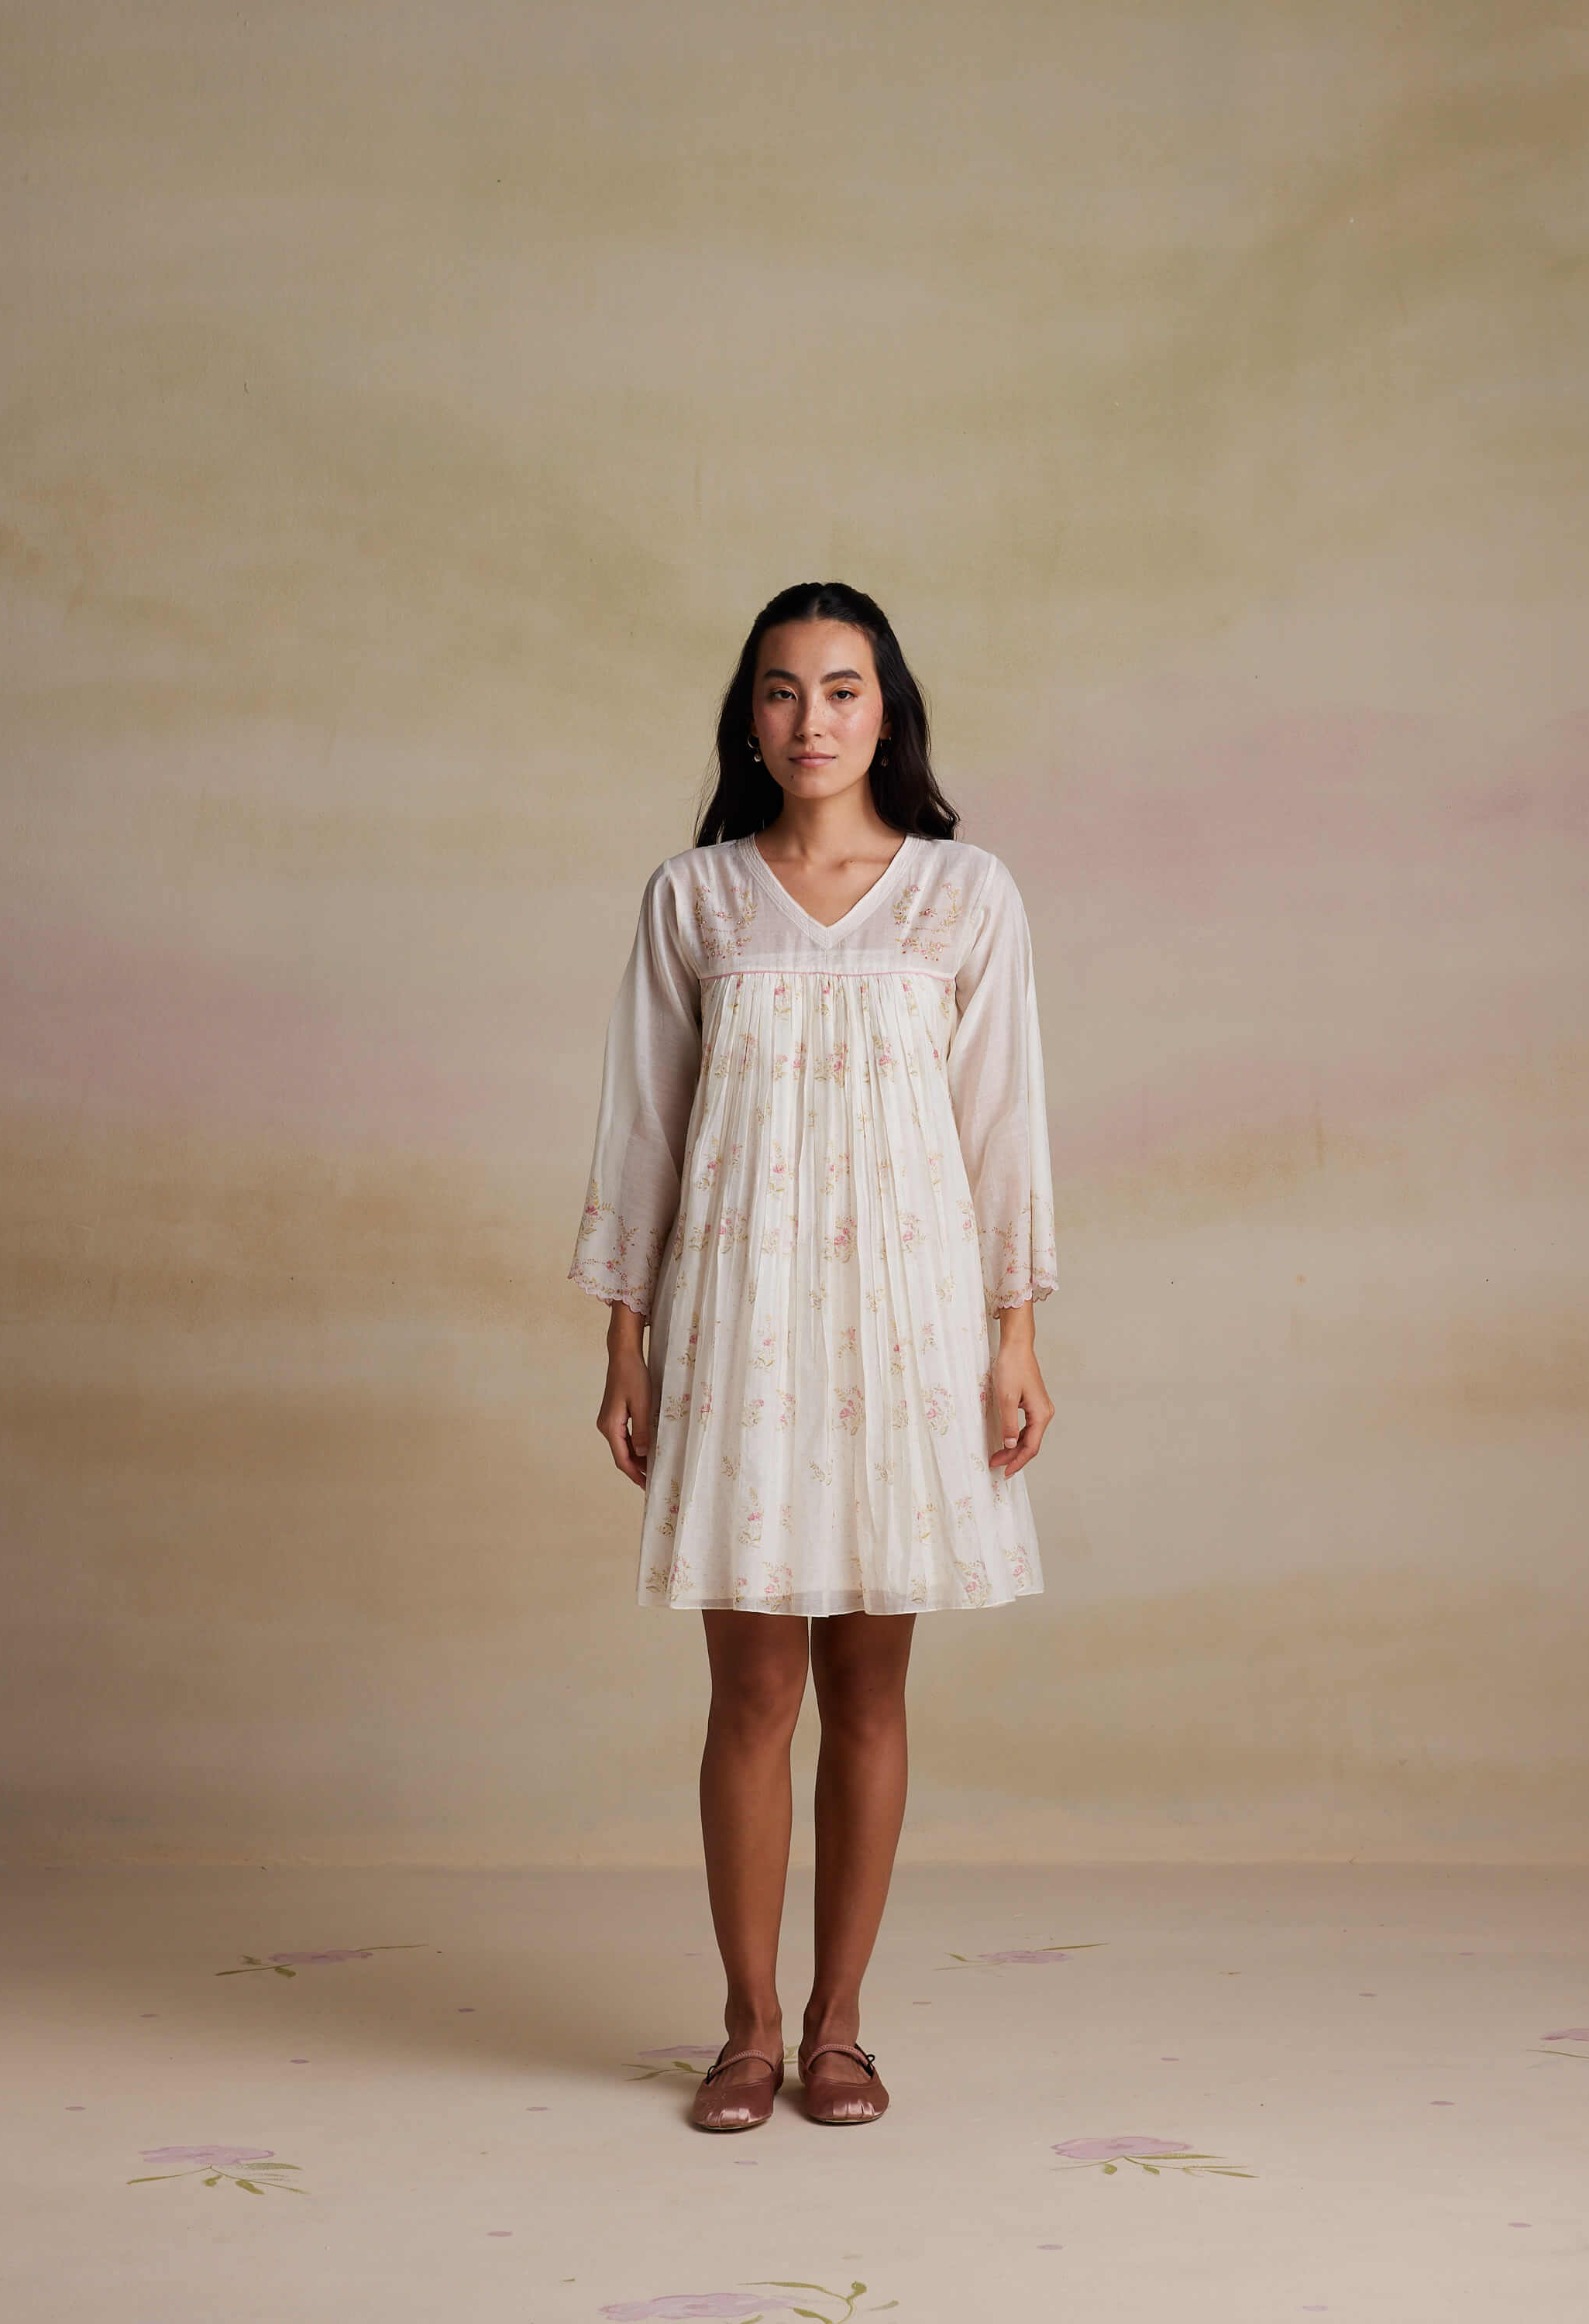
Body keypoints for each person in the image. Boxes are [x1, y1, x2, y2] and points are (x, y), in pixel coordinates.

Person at [568, 580, 1058, 2130]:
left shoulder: (963, 895)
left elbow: (1002, 1123)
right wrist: (626, 1340)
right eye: (780, 690)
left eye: (842, 689)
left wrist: (1014, 1336)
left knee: (870, 1684)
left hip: (908, 1323)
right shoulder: (696, 900)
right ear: (749, 717)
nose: (811, 719)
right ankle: (747, 2028)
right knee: (751, 1688)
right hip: (744, 1319)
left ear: (886, 711)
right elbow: (644, 1128)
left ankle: (841, 2028)